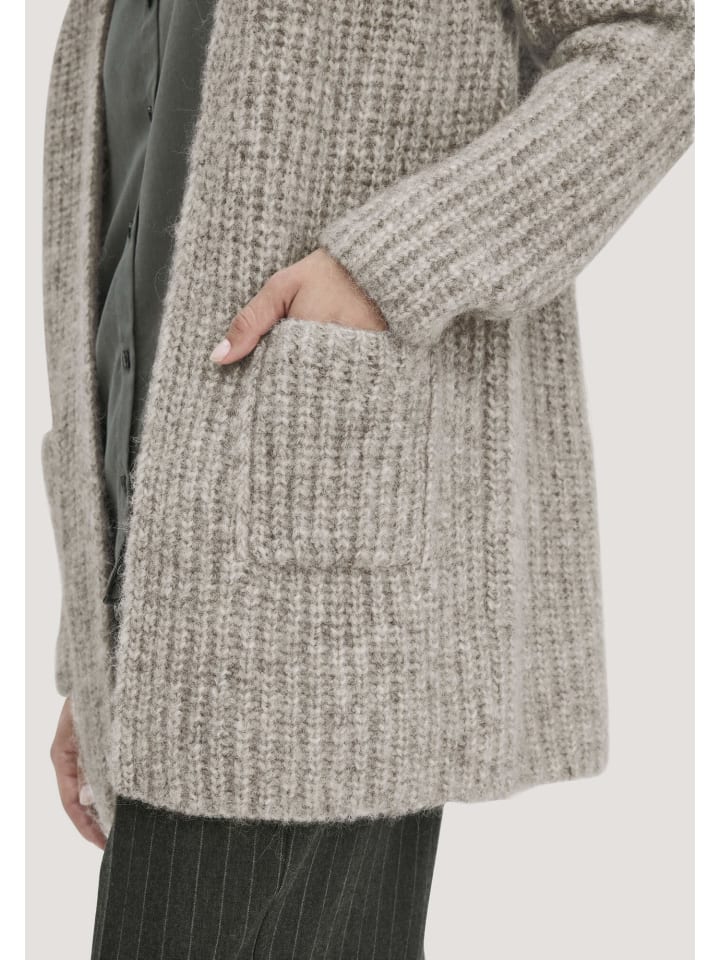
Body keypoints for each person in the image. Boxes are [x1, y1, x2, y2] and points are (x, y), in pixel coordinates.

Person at [42, 0, 693, 956]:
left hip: (326, 587)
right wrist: (100, 656)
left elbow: (660, 49)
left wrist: (394, 264)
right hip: (173, 615)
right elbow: (132, 262)